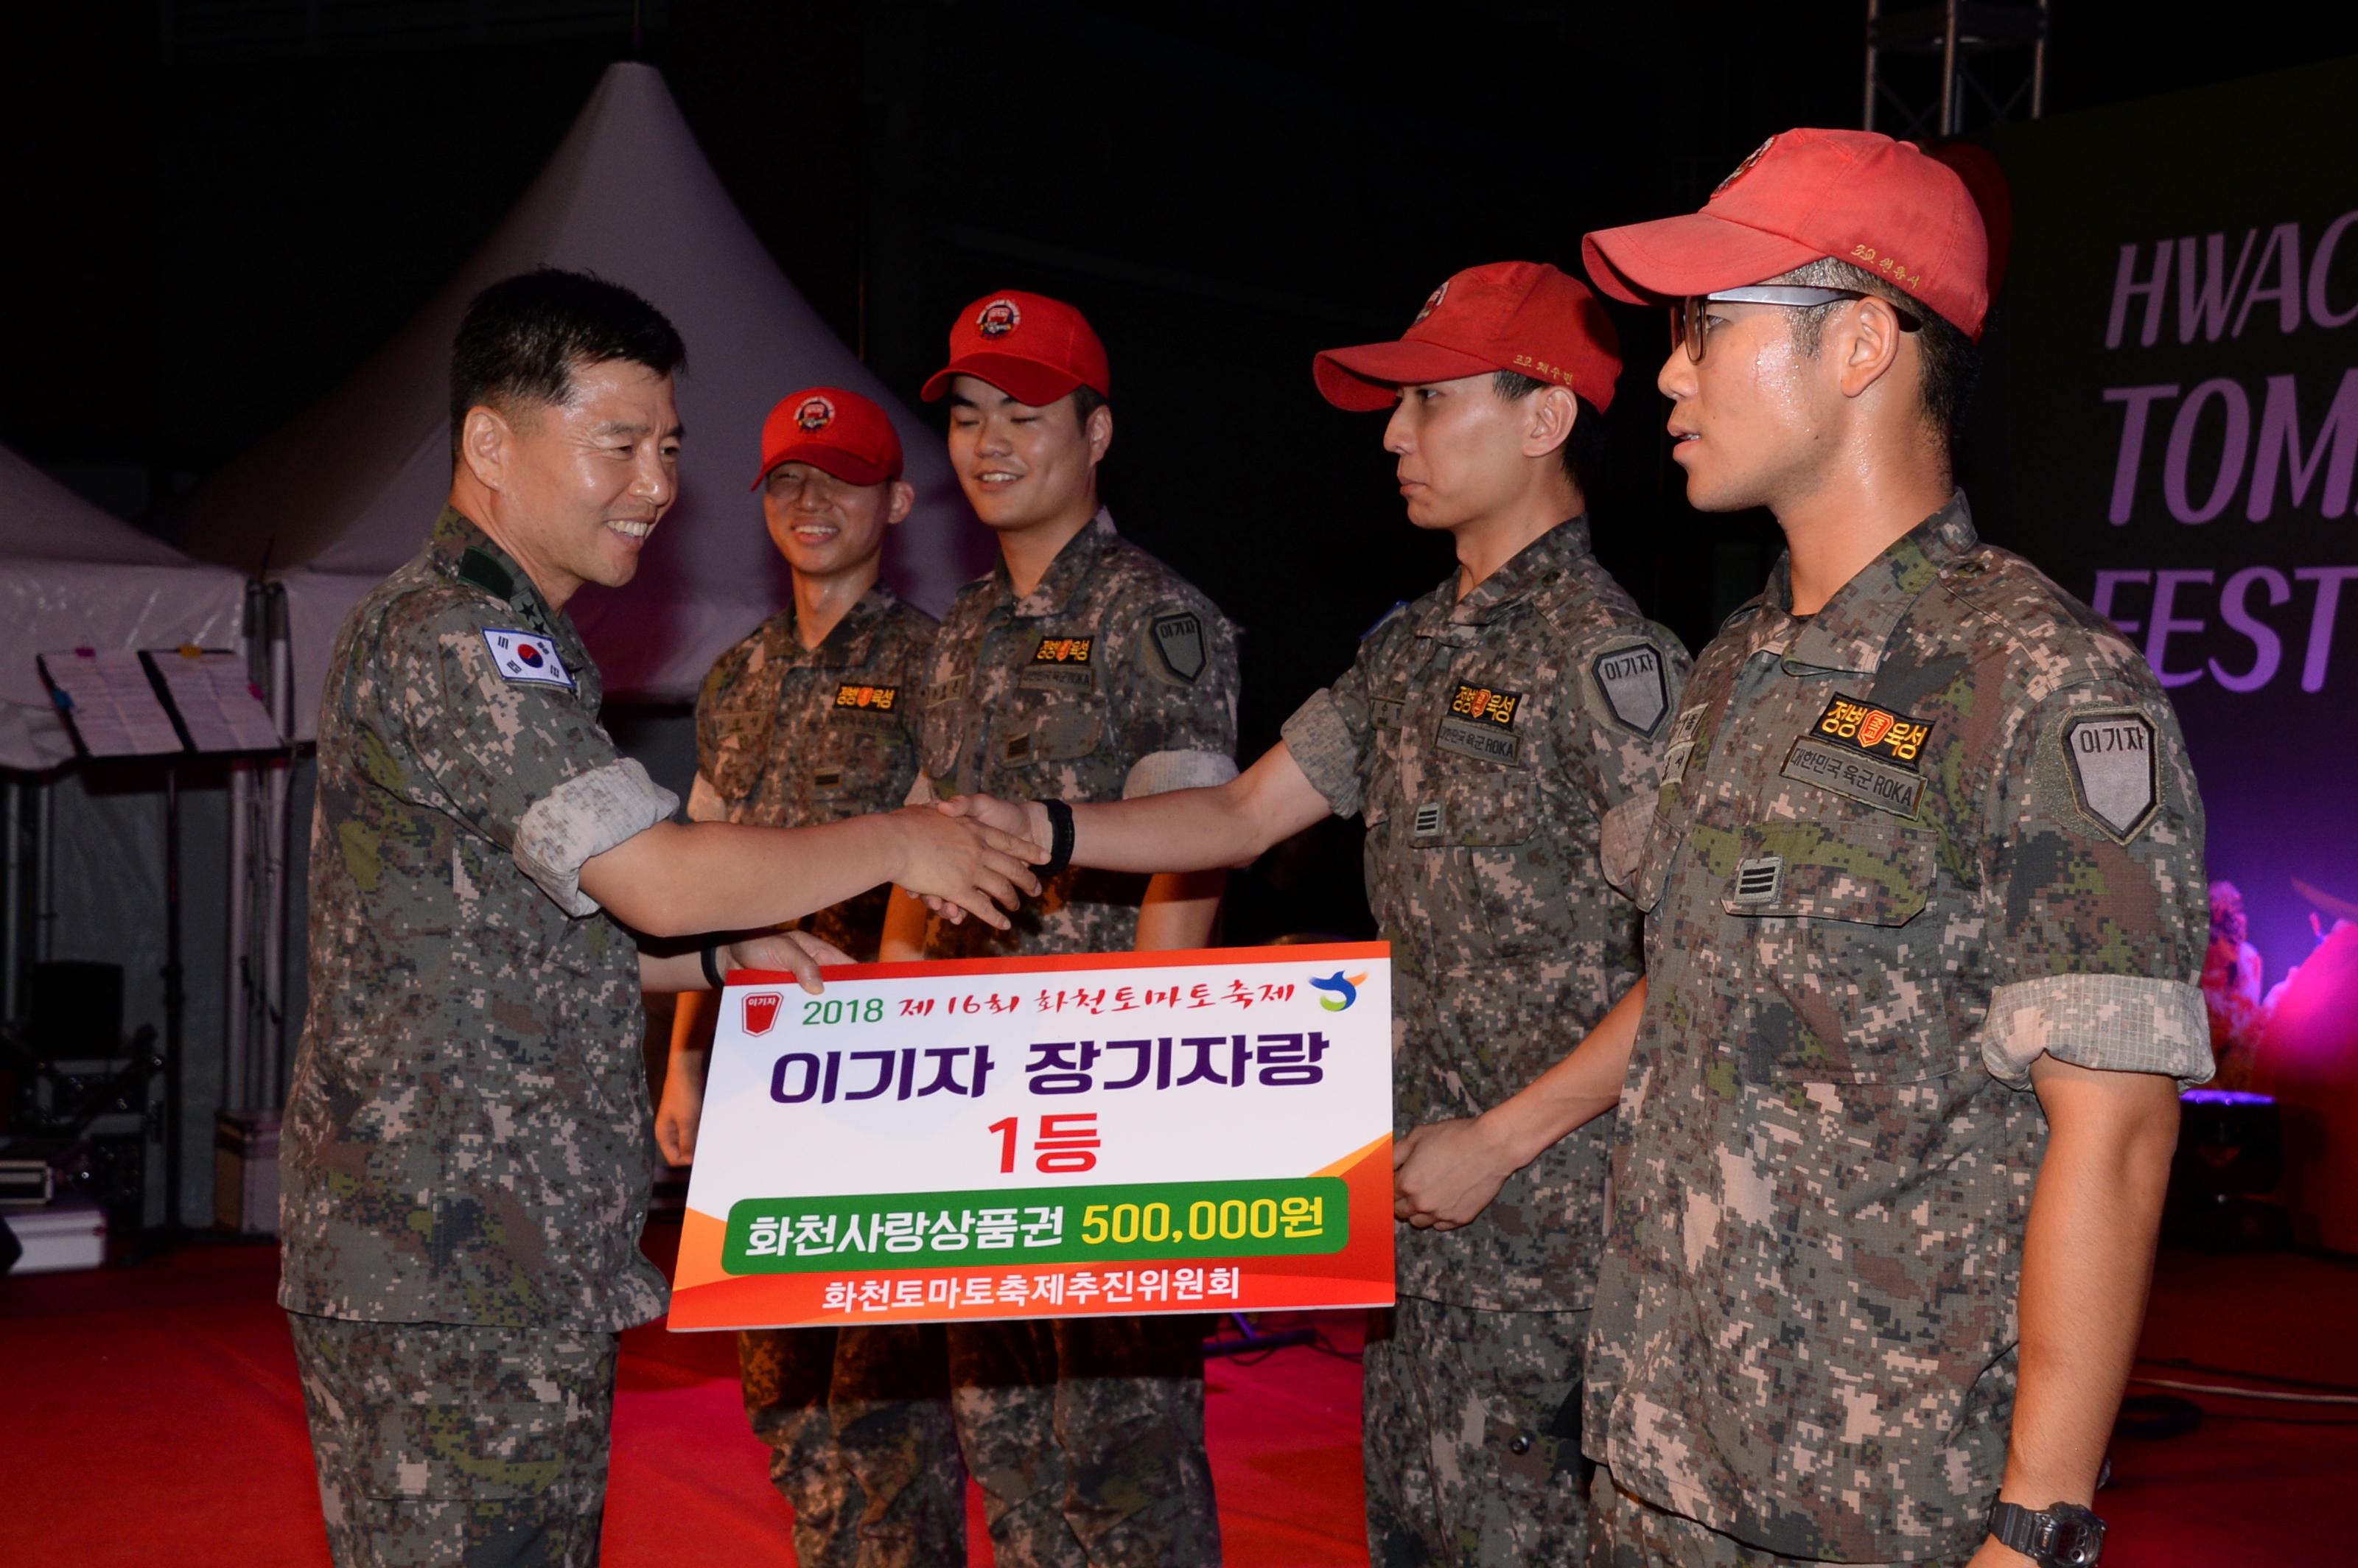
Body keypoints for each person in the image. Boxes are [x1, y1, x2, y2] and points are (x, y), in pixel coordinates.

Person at [1399, 130, 2211, 1566]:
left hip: (1874, 1503)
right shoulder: (1734, 669)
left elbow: (2118, 1126)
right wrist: (1513, 1131)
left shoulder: (2034, 679)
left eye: (1707, 329)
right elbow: (1703, 975)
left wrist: (2033, 1522)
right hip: (1654, 1464)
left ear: (1855, 344)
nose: (1665, 373)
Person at [279, 268, 1040, 1568]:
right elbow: (657, 872)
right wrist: (903, 838)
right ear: (490, 444)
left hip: (500, 1260)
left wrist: (711, 953)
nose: (655, 484)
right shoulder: (459, 638)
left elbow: (512, 935)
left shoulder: (519, 642)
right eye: (617, 445)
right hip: (449, 1265)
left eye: (670, 448)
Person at [938, 261, 1691, 1564]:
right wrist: (1046, 830)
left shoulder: (1613, 665)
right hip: (1411, 1218)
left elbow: (1694, 966)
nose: (1392, 436)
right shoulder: (1413, 649)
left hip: (1556, 1233)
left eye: (1428, 403)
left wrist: (1505, 1141)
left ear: (1545, 416)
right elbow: (1236, 816)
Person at [876, 287, 1239, 1567]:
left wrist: (1143, 1092)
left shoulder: (1161, 619)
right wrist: (886, 1030)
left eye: (1023, 415)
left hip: (1095, 1112)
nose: (987, 442)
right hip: (975, 1108)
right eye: (969, 415)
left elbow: (1192, 855)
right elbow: (924, 854)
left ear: (1096, 433)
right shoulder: (961, 631)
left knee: (1124, 1465)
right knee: (1012, 1455)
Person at [653, 385, 964, 1567]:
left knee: (886, 1411)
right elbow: (695, 877)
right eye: (787, 480)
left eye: (838, 479)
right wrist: (686, 1062)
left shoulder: (937, 664)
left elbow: (938, 879)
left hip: (877, 1077)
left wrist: (887, 1044)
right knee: (780, 1391)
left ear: (893, 501)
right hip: (754, 1081)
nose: (810, 501)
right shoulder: (737, 676)